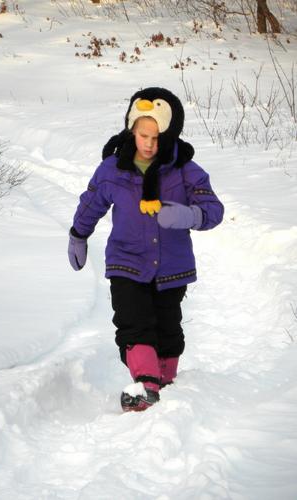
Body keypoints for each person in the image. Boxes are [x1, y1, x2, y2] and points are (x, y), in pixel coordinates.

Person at [68, 87, 224, 412]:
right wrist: (78, 235)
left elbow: (213, 209)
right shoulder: (113, 168)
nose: (149, 144)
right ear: (131, 128)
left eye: (156, 137)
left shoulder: (183, 168)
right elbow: (91, 203)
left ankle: (165, 382)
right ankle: (145, 385)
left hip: (172, 267)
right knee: (133, 322)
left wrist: (189, 215)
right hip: (126, 262)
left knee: (167, 326)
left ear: (169, 133)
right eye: (143, 135)